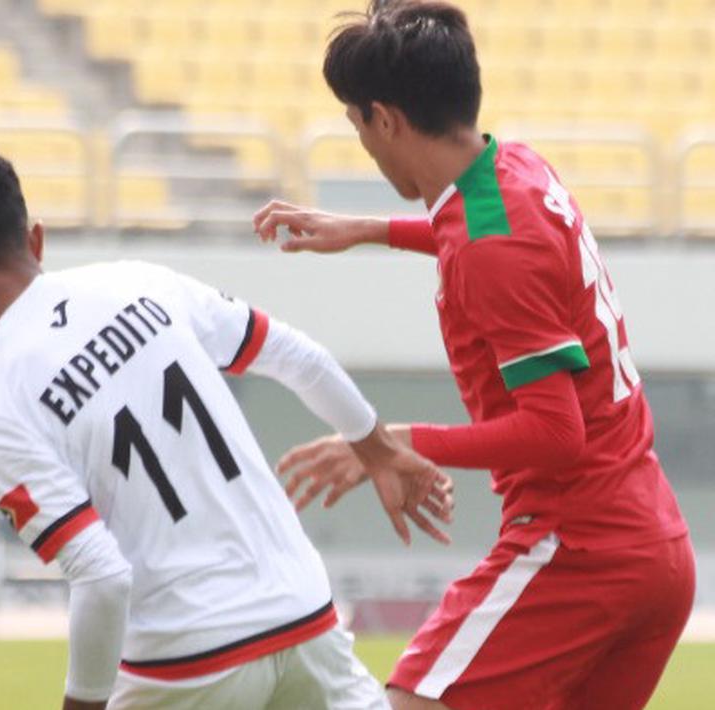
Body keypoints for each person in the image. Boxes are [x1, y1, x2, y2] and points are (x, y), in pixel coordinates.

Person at [252, 3, 694, 709]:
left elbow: (555, 432)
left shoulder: (491, 248)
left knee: (412, 699)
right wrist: (370, 229)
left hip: (577, 547)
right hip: (653, 544)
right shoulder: (515, 168)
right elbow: (485, 239)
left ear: (384, 120)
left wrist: (391, 443)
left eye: (355, 123)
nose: (362, 142)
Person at [0, 149, 454, 710]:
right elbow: (302, 359)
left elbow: (102, 577)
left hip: (187, 659)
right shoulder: (139, 280)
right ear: (37, 238)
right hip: (303, 616)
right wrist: (377, 450)